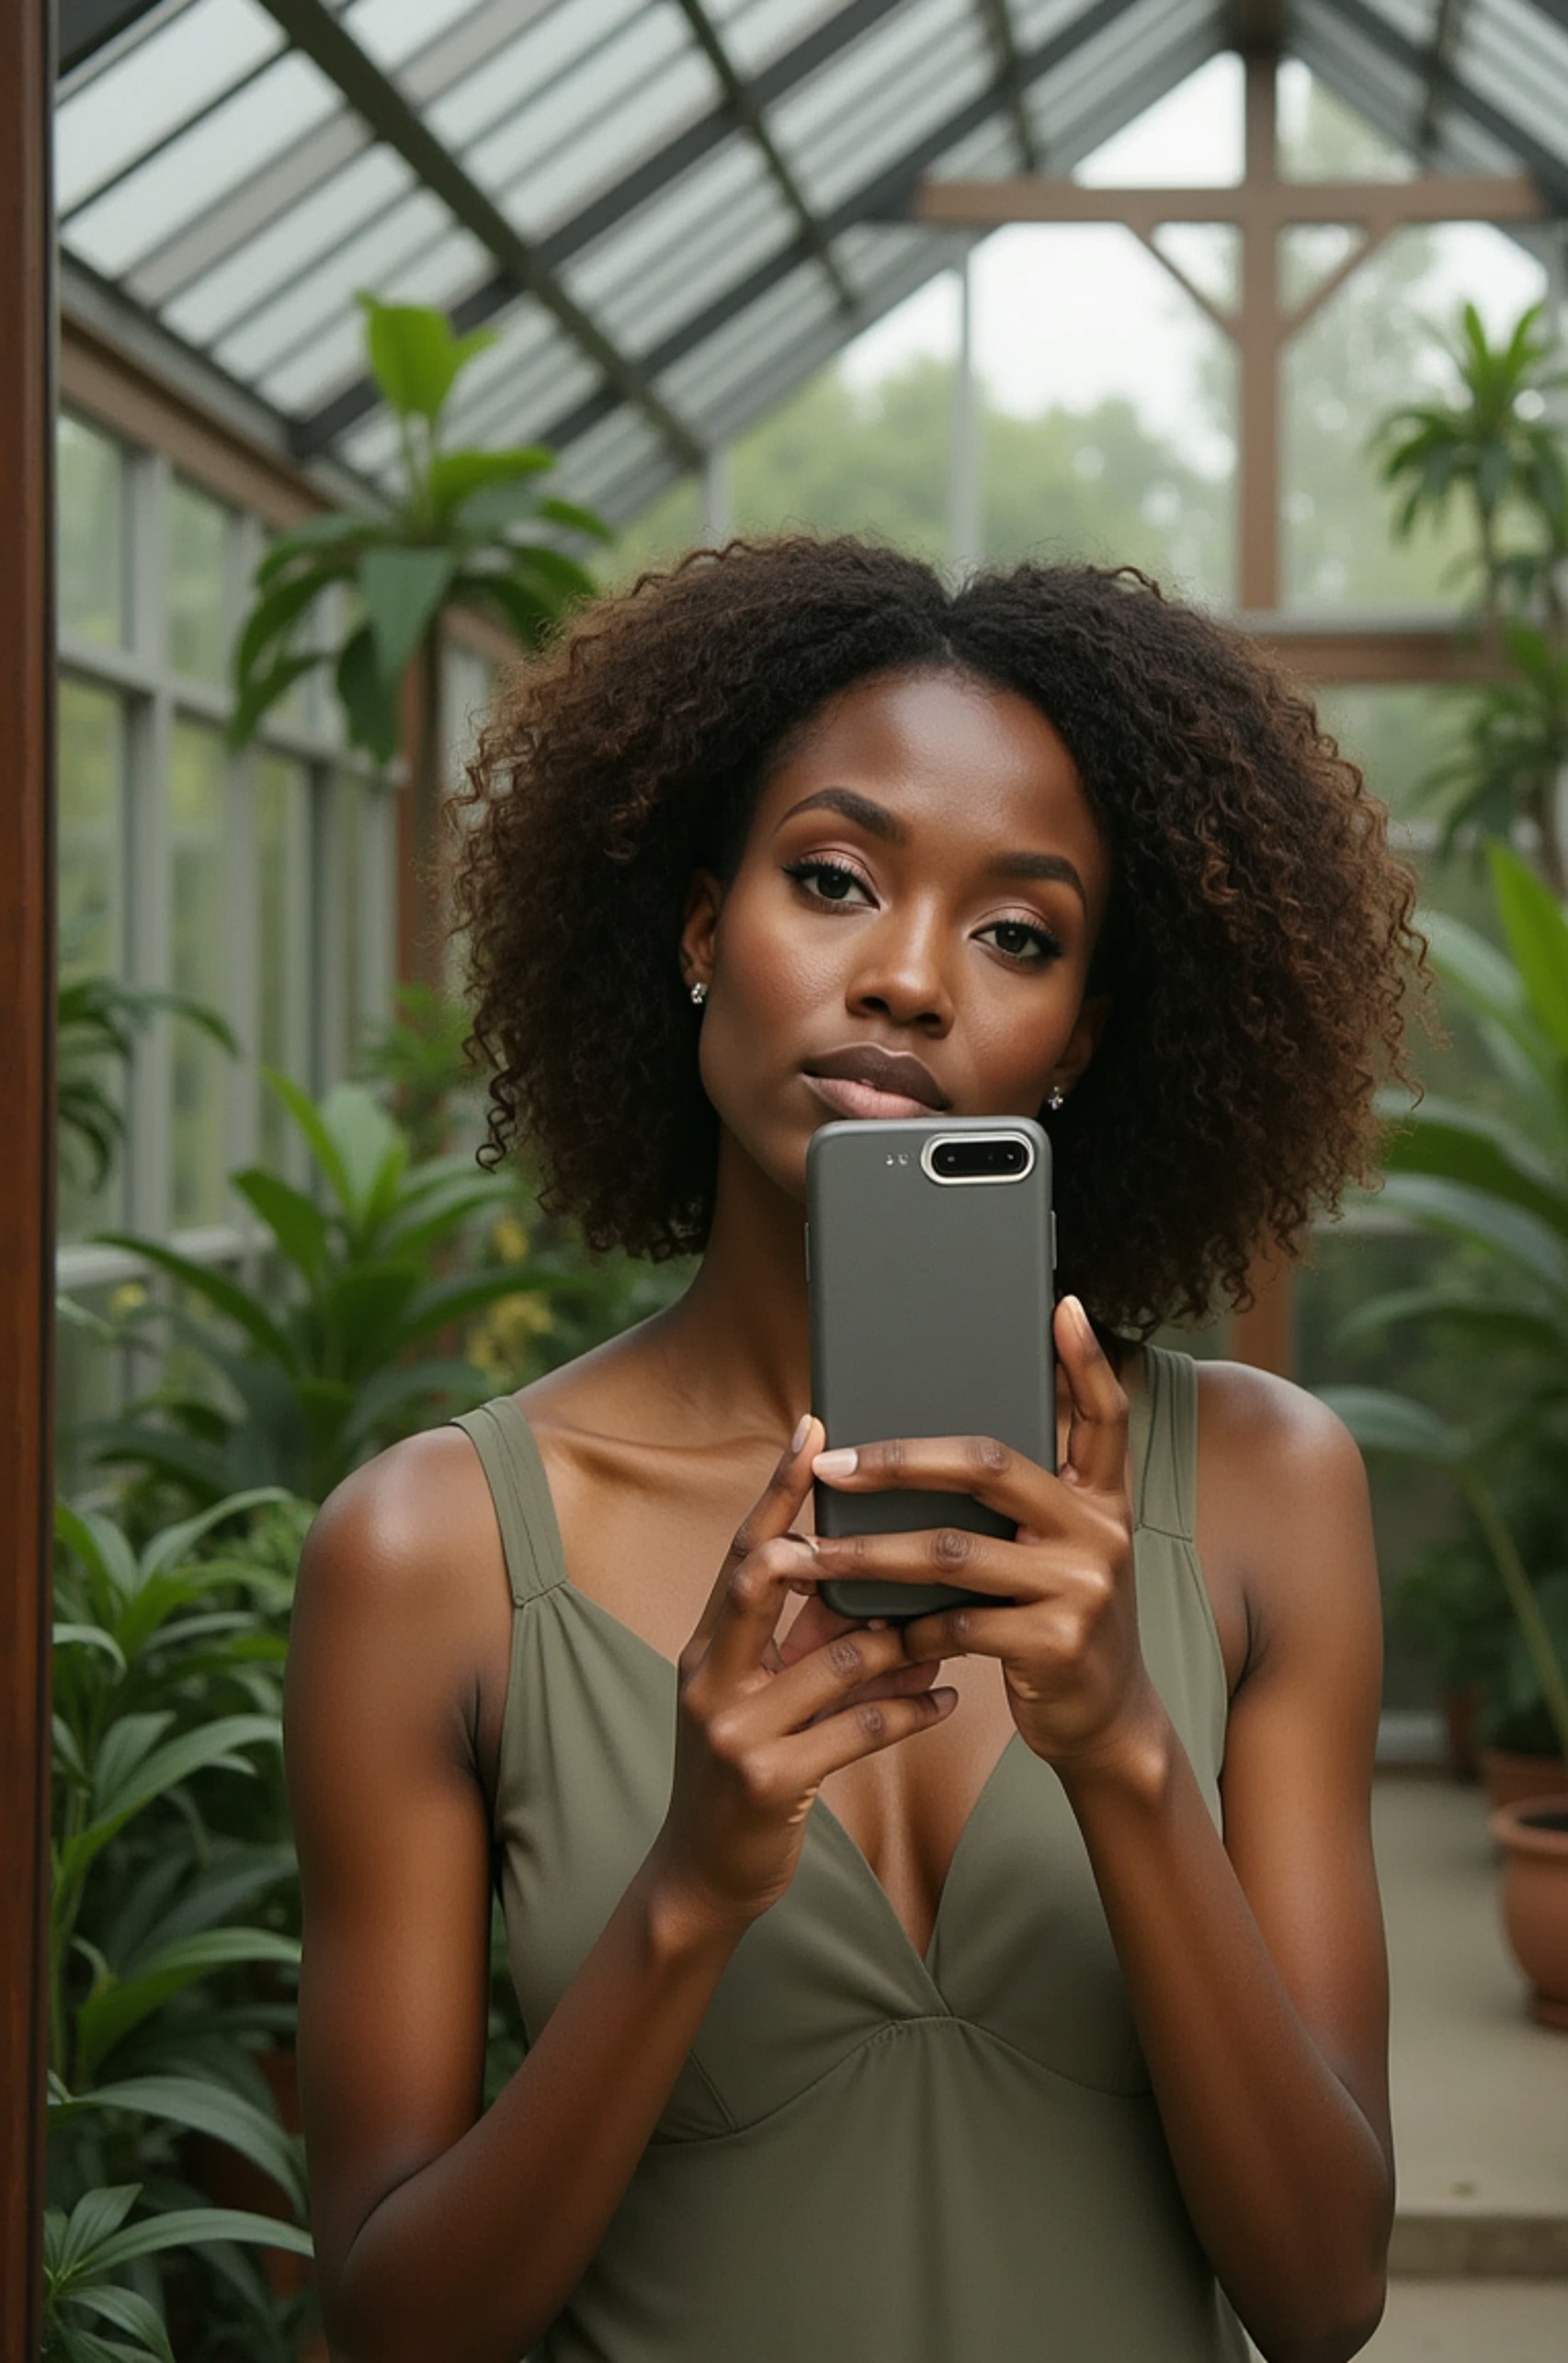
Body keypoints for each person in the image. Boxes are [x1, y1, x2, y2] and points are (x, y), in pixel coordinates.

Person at [284, 538, 1431, 2363]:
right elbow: (395, 2322)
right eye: (831, 878)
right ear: (689, 925)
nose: (906, 978)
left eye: (1017, 932)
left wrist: (1130, 1754)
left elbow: (1322, 2290)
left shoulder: (1268, 1492)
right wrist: (690, 1887)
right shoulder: (431, 1551)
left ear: (1083, 1038)